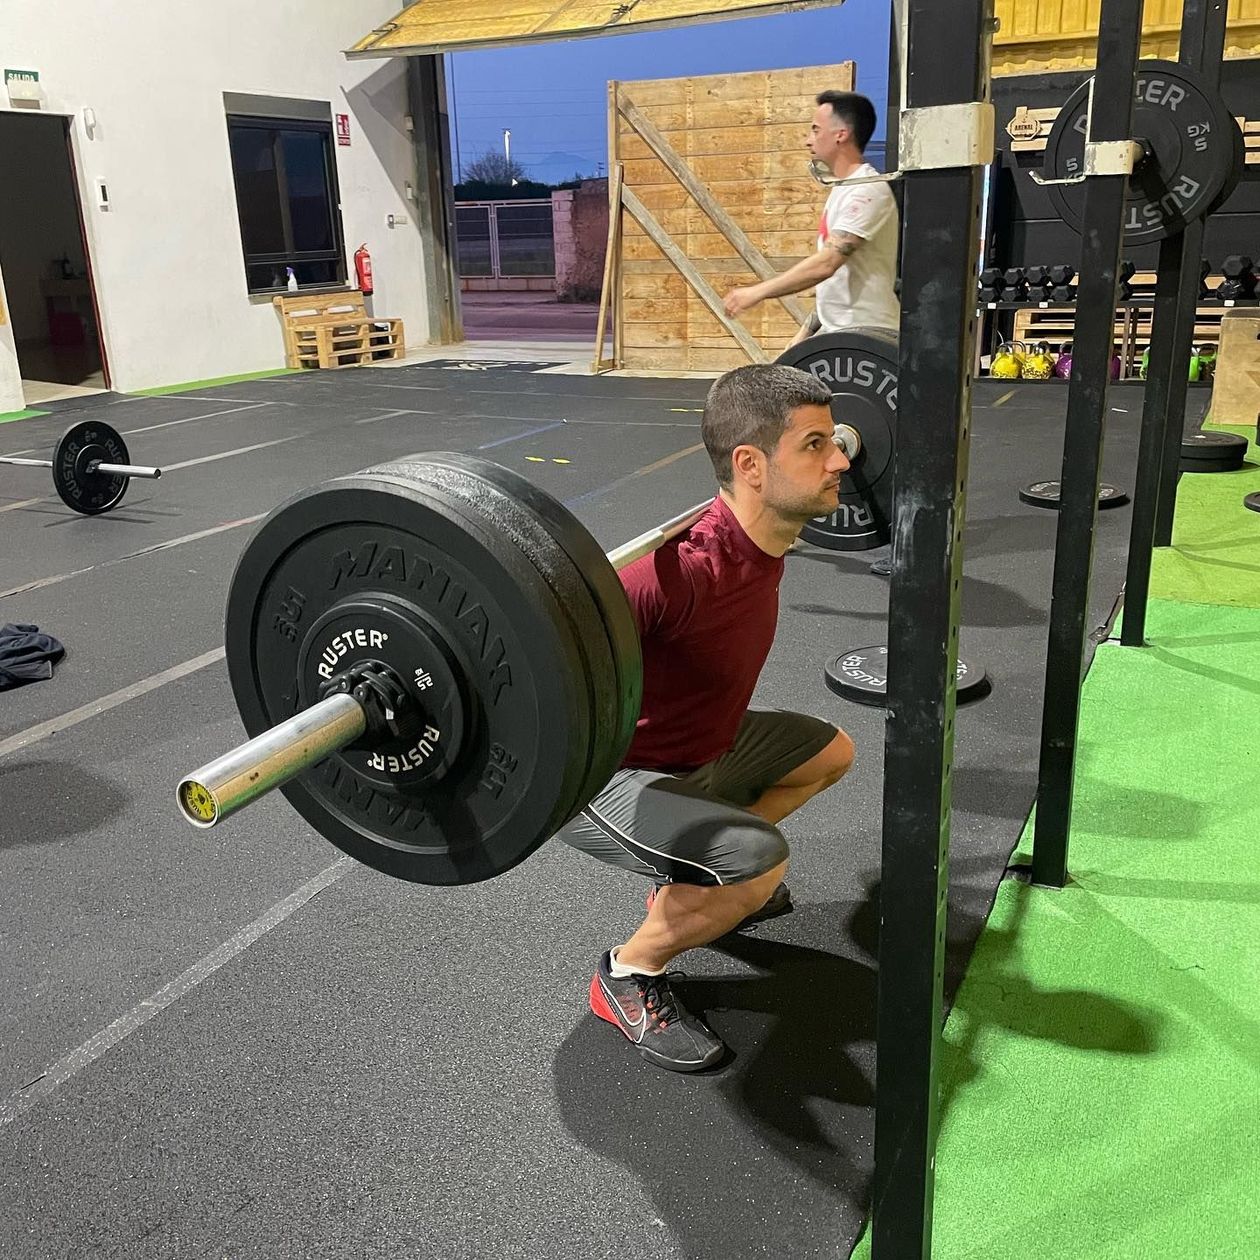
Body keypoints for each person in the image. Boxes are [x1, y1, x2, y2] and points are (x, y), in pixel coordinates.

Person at [558, 364, 856, 1072]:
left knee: (833, 752)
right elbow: (547, 668)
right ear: (750, 466)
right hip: (606, 776)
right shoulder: (674, 573)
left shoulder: (768, 535)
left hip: (704, 749)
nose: (841, 458)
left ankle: (691, 885)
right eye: (816, 446)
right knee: (756, 868)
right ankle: (629, 973)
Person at [722, 90, 900, 341]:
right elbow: (835, 282)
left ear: (841, 134)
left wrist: (757, 292)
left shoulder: (867, 190)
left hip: (868, 336)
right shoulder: (843, 189)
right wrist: (800, 340)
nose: (808, 140)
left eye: (816, 130)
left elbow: (827, 264)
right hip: (841, 333)